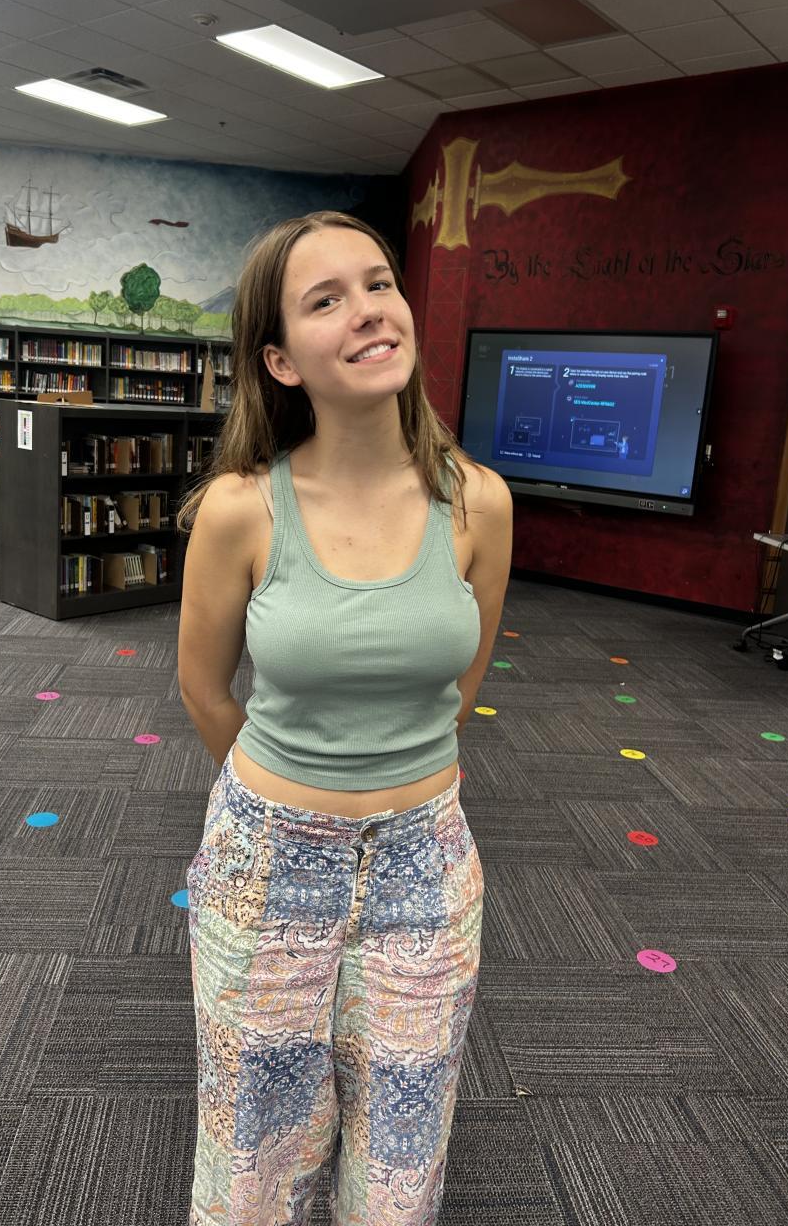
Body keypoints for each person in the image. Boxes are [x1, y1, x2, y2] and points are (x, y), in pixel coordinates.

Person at [175, 210, 513, 1225]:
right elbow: (204, 689)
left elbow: (458, 690)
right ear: (281, 360)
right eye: (326, 300)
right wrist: (293, 798)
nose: (368, 310)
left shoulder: (479, 502)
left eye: (379, 284)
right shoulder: (242, 507)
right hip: (266, 864)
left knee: (400, 1164)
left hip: (426, 865)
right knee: (252, 1160)